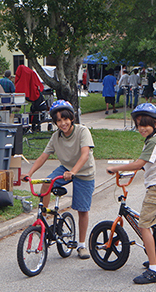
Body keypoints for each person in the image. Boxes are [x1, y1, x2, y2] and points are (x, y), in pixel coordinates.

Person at [106, 103, 156, 284]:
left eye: (146, 124)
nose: (142, 128)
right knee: (155, 223)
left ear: (155, 123)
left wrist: (116, 169)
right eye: (139, 125)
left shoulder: (153, 141)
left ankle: (155, 269)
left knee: (144, 225)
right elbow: (149, 164)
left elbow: (139, 164)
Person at [21, 100, 95, 259]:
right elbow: (43, 156)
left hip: (84, 171)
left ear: (72, 118)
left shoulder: (82, 131)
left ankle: (81, 245)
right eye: (59, 120)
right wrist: (30, 173)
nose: (63, 123)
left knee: (82, 209)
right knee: (46, 183)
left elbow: (85, 154)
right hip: (66, 169)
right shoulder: (56, 137)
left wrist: (74, 171)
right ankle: (43, 219)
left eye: (65, 119)